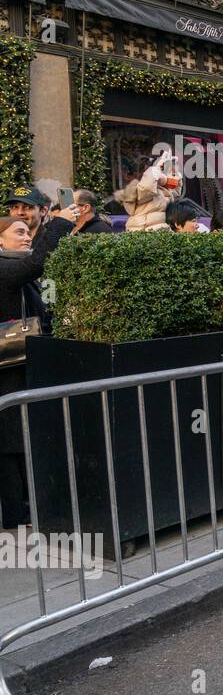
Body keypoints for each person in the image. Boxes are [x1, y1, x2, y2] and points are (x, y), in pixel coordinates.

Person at [0, 209, 76, 525]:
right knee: (9, 443)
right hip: (8, 368)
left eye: (28, 231)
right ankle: (16, 513)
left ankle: (23, 509)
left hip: (19, 366)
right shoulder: (5, 268)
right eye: (19, 231)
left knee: (19, 439)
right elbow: (38, 263)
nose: (26, 236)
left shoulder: (13, 268)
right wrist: (59, 224)